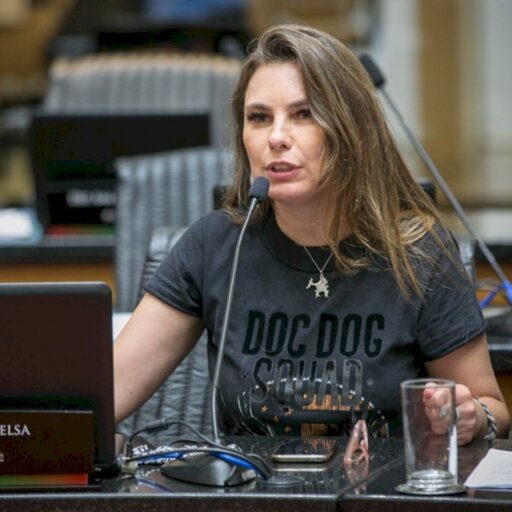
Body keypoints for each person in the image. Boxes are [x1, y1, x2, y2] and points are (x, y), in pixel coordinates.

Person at [114, 24, 509, 444]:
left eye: (303, 114)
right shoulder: (212, 246)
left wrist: (471, 417)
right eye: (259, 118)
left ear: (352, 130)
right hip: (249, 484)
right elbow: (104, 395)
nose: (276, 138)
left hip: (380, 484)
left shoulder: (419, 254)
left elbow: (494, 410)